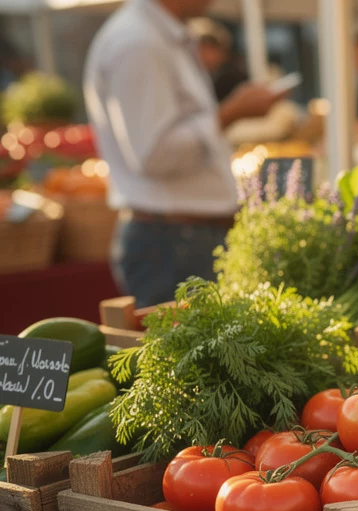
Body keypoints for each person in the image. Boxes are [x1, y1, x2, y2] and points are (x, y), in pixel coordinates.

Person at [84, 0, 285, 307]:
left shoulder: (154, 36)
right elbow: (154, 155)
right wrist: (230, 113)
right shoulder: (139, 42)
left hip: (180, 239)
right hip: (172, 242)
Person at [189, 18, 247, 102]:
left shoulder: (231, 77)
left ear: (222, 51)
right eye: (201, 49)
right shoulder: (200, 74)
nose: (204, 55)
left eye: (209, 48)